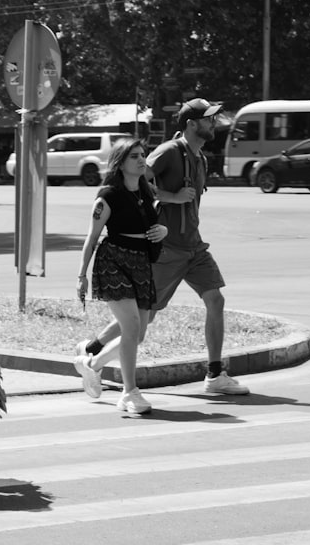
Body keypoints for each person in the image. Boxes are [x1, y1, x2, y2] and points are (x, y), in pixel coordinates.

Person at [75, 98, 250, 396]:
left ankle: (215, 373)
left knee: (215, 300)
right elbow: (139, 180)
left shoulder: (201, 157)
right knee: (143, 321)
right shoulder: (170, 152)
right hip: (165, 250)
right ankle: (92, 356)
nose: (213, 123)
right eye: (208, 119)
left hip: (194, 247)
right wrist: (173, 196)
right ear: (192, 124)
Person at [73, 139, 167, 414]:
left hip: (140, 261)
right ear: (120, 162)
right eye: (135, 156)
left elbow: (155, 227)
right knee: (132, 326)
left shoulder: (146, 191)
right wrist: (81, 276)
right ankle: (129, 393)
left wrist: (164, 232)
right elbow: (91, 239)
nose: (142, 160)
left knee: (137, 334)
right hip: (113, 260)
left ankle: (91, 364)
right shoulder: (108, 196)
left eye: (143, 155)